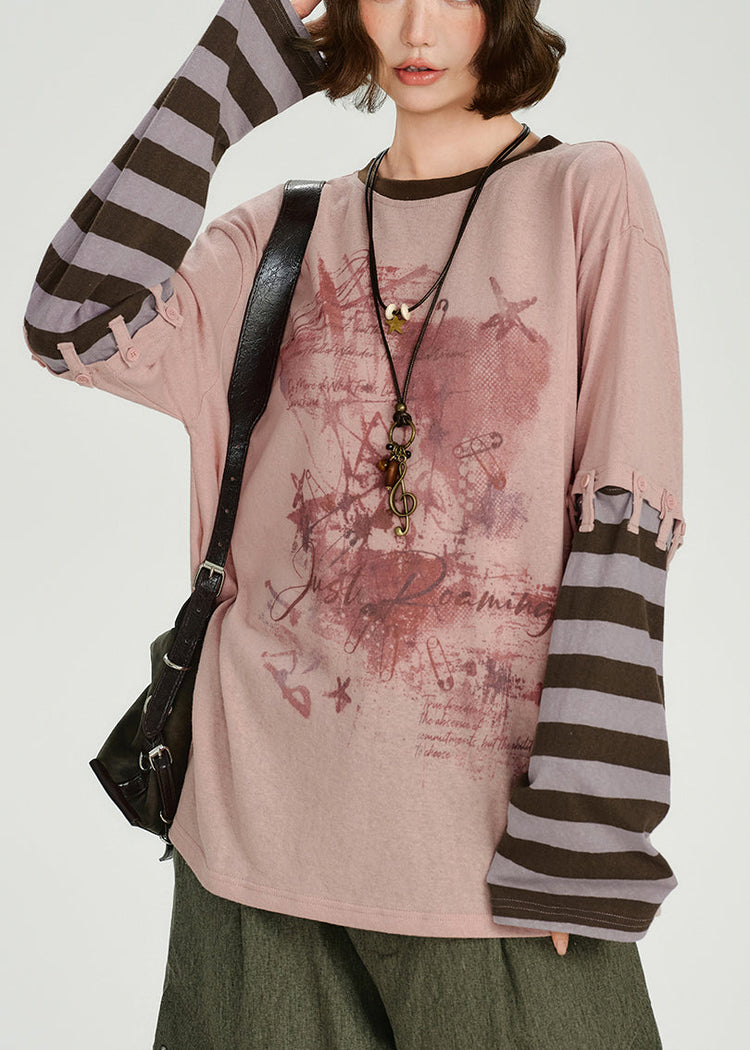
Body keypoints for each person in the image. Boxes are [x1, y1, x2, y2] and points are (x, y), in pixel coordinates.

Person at [23, 0, 686, 1046]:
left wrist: (586, 833)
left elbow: (624, 516)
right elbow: (70, 324)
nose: (417, 28)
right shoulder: (280, 237)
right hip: (248, 847)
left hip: (490, 863)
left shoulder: (584, 194)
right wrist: (231, 63)